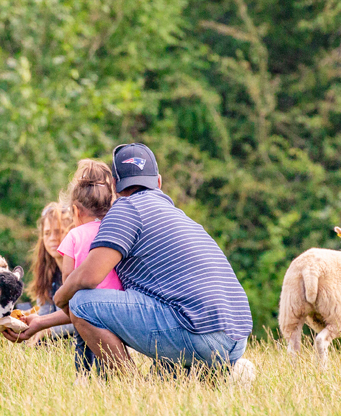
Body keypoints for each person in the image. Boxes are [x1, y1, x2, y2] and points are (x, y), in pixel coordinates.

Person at [53, 143, 254, 376]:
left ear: (116, 186)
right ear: (158, 181)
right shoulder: (179, 216)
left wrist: (60, 297)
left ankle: (132, 387)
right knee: (161, 377)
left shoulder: (126, 208)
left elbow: (89, 277)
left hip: (198, 334)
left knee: (81, 303)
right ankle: (216, 374)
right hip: (236, 338)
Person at [7, 160, 121, 371]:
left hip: (86, 312)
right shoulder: (116, 231)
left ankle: (82, 379)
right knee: (109, 360)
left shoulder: (74, 236)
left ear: (75, 212)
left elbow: (68, 281)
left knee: (84, 350)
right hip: (117, 310)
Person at [24, 201, 74, 343]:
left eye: (58, 232)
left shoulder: (79, 269)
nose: (52, 238)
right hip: (60, 342)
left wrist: (49, 330)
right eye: (47, 233)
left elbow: (85, 319)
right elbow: (44, 315)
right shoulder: (48, 272)